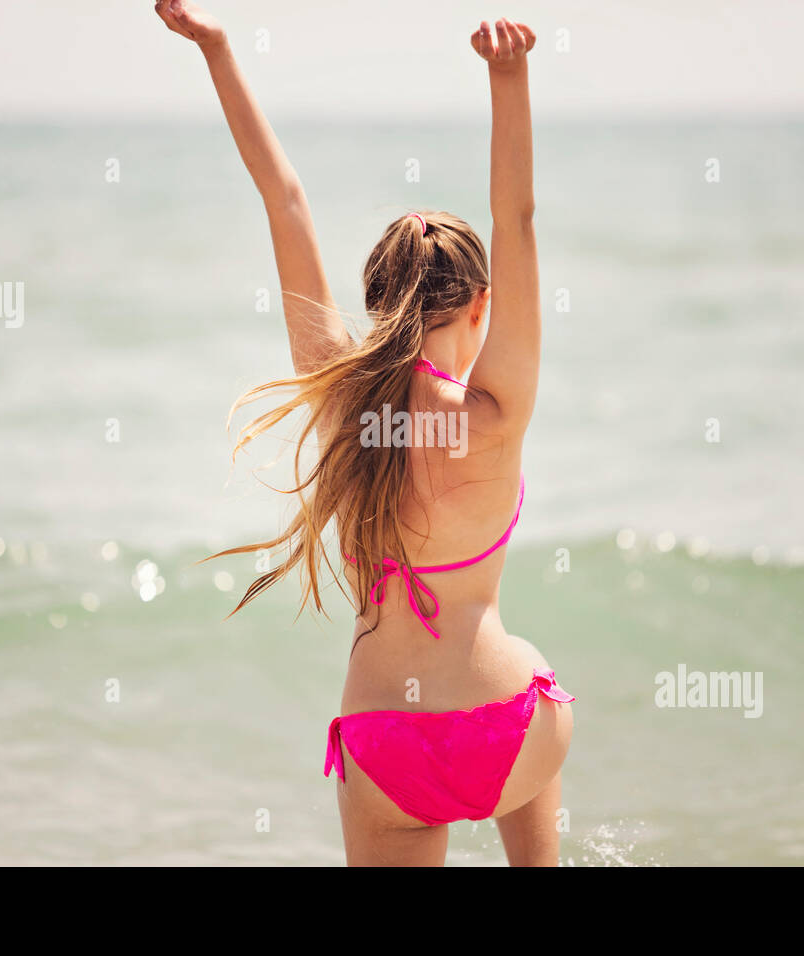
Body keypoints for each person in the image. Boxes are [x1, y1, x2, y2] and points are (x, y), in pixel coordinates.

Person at [155, 2, 574, 866]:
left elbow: (285, 200)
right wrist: (509, 78)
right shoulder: (495, 413)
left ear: (380, 303)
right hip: (508, 731)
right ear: (481, 306)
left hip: (387, 749)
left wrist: (219, 50)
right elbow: (519, 222)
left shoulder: (344, 401)